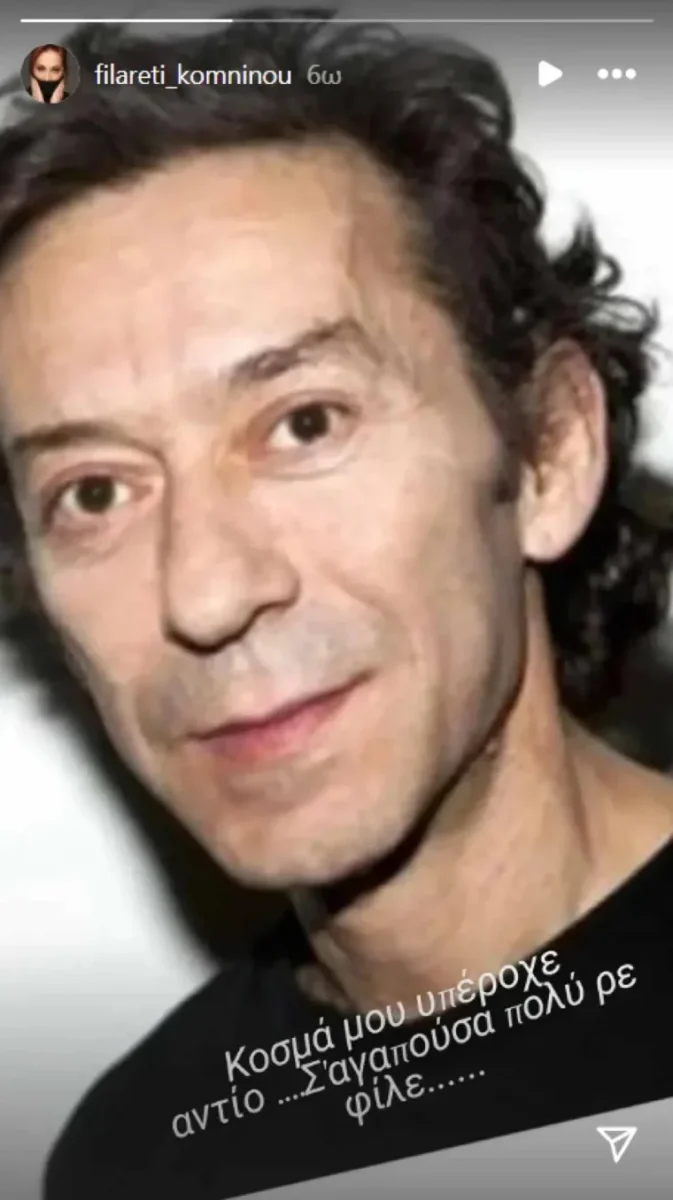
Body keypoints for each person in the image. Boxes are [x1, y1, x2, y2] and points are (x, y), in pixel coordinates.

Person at [0, 8, 672, 1200]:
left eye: (305, 423)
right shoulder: (139, 1158)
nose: (207, 591)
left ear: (548, 452)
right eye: (94, 492)